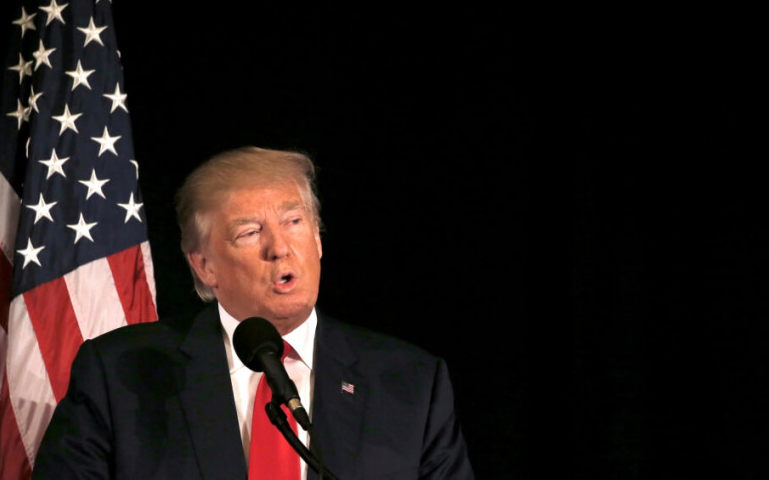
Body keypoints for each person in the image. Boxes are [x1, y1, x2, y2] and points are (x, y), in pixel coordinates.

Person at [33, 146, 475, 479]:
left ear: (318, 241)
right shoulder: (120, 375)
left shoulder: (411, 383)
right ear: (205, 267)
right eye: (250, 232)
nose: (280, 247)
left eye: (295, 222)